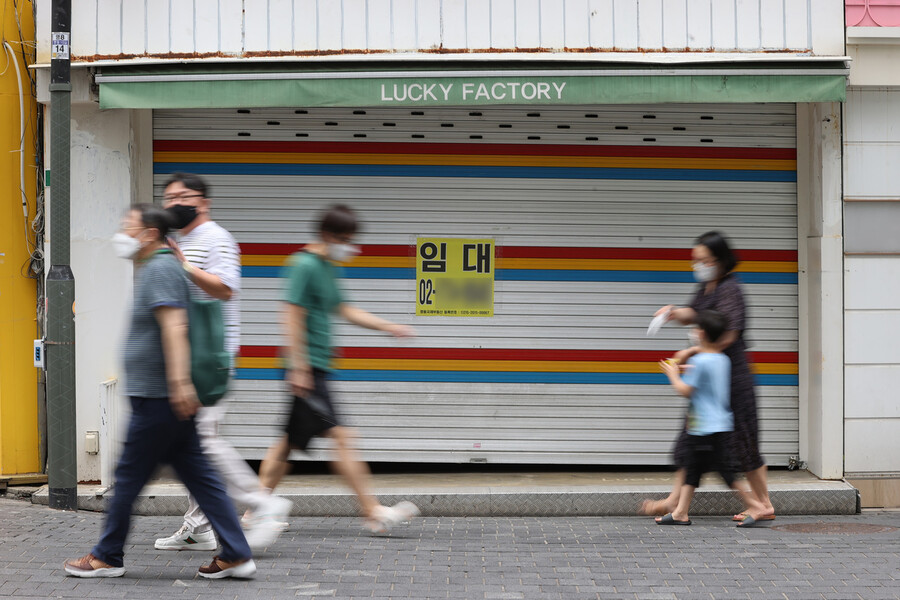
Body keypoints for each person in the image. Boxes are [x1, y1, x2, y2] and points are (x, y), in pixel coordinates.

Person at [64, 205, 255, 579]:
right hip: (165, 398)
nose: (122, 232)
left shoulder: (161, 268)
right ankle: (235, 553)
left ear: (149, 233)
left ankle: (106, 556)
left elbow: (175, 327)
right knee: (201, 477)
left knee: (128, 477)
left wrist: (180, 384)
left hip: (159, 398)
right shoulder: (159, 267)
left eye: (128, 226)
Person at [257, 204, 420, 534]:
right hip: (307, 369)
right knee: (343, 437)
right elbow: (290, 314)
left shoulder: (327, 267)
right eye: (344, 239)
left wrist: (388, 327)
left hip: (316, 368)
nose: (350, 246)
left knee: (287, 443)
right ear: (326, 235)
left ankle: (256, 509)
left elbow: (343, 309)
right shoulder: (302, 264)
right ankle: (371, 510)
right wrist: (299, 366)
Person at [154, 173, 292, 552]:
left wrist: (181, 267)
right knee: (195, 443)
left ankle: (262, 501)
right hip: (190, 356)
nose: (173, 204)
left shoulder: (218, 238)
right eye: (168, 198)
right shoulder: (181, 241)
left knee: (200, 441)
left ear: (204, 202)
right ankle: (198, 527)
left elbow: (226, 288)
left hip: (211, 359)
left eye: (182, 196)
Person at [640, 231, 775, 526]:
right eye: (696, 260)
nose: (698, 265)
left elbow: (726, 334)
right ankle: (675, 503)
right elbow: (697, 313)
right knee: (691, 443)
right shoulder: (708, 286)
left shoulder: (731, 290)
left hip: (733, 381)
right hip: (711, 378)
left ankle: (762, 503)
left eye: (703, 260)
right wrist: (673, 313)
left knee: (743, 444)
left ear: (720, 259)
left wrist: (691, 353)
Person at [655, 310, 758, 526]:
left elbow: (686, 390)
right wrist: (687, 367)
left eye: (695, 328)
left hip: (704, 426)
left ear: (701, 333)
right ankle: (680, 512)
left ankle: (756, 506)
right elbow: (707, 379)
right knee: (692, 468)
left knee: (726, 473)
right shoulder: (722, 359)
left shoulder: (701, 361)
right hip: (717, 424)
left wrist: (673, 374)